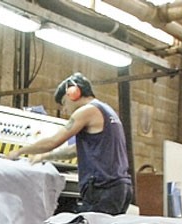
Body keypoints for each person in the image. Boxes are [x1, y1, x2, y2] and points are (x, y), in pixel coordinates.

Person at [7, 72, 133, 215]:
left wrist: (20, 151)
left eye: (64, 102)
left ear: (73, 93)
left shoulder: (87, 111)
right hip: (120, 188)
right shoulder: (107, 110)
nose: (65, 109)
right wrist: (44, 157)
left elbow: (53, 141)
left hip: (103, 188)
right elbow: (73, 150)